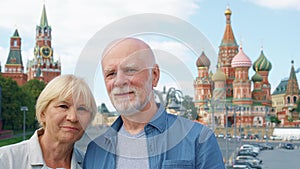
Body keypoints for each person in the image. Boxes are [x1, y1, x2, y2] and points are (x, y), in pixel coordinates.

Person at [84, 38, 225, 169]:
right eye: (111, 74)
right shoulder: (95, 151)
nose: (119, 81)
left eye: (130, 70)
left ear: (155, 76)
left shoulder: (198, 140)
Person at [0, 75, 97, 169]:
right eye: (63, 106)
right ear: (43, 114)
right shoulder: (6, 160)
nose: (73, 117)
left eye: (81, 109)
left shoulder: (92, 165)